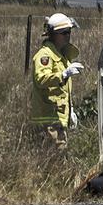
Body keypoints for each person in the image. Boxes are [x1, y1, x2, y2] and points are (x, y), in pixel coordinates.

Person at [31, 12, 84, 148]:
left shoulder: (61, 55)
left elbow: (63, 90)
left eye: (69, 32)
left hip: (58, 116)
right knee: (54, 159)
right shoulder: (45, 55)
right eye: (64, 33)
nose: (68, 36)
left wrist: (70, 110)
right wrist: (63, 74)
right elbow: (41, 79)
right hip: (48, 118)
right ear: (54, 35)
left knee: (59, 156)